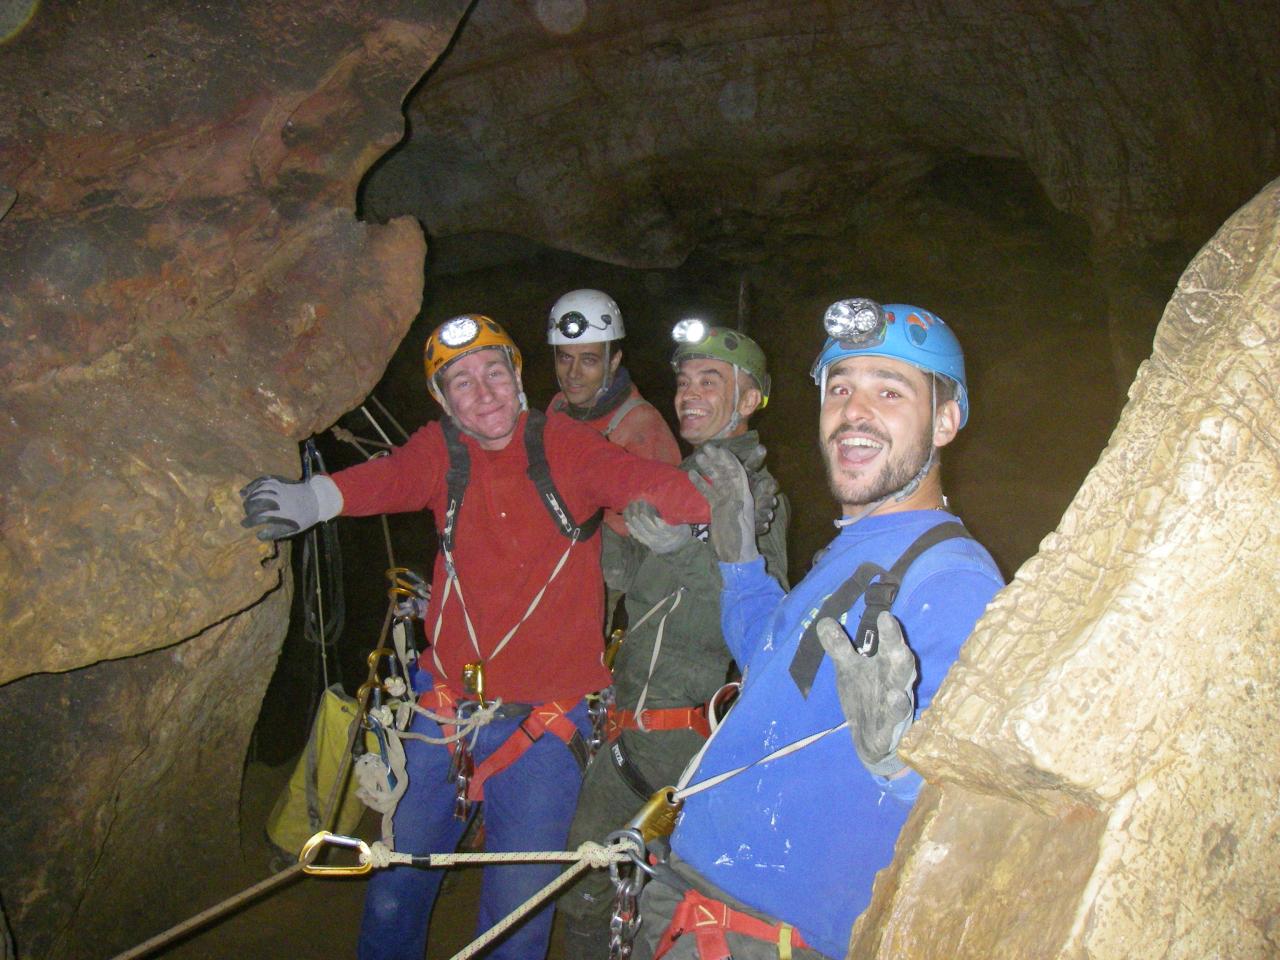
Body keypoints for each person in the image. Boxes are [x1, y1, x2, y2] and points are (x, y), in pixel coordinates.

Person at [239, 314, 710, 960]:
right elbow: (390, 478)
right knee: (393, 893)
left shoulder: (564, 445)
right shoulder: (443, 451)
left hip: (546, 731)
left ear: (518, 378)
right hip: (442, 714)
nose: (483, 392)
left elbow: (644, 480)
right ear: (443, 401)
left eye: (494, 373)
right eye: (461, 382)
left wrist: (697, 508)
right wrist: (315, 498)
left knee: (515, 926)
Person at [629, 299, 1006, 960]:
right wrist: (740, 556)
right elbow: (774, 662)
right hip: (688, 897)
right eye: (840, 389)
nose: (854, 412)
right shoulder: (853, 551)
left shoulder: (952, 579)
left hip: (764, 933)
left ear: (946, 421)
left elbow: (975, 797)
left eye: (890, 392)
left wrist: (899, 758)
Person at [558, 322, 790, 959]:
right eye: (684, 380)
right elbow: (644, 597)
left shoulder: (759, 494)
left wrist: (681, 550)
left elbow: (755, 620)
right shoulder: (678, 483)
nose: (688, 392)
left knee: (662, 910)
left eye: (709, 381)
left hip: (686, 752)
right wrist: (612, 539)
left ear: (747, 401)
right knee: (582, 889)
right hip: (629, 740)